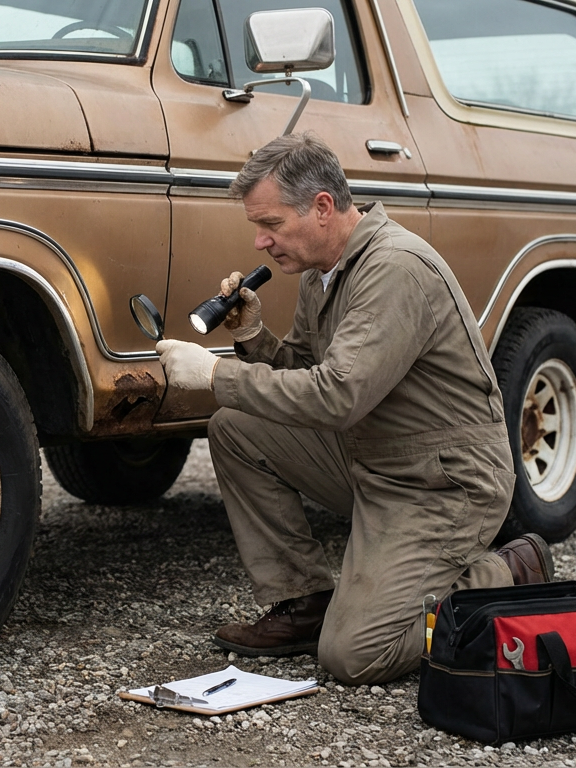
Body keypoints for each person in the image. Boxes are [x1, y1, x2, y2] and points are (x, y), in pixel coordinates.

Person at [154, 133, 555, 686]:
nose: (260, 242)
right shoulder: (324, 271)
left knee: (356, 655)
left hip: (442, 481)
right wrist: (252, 337)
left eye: (270, 224)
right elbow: (307, 369)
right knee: (238, 428)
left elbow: (337, 396)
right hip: (373, 457)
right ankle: (305, 601)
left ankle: (505, 572)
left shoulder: (395, 268)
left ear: (322, 207)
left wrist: (215, 374)